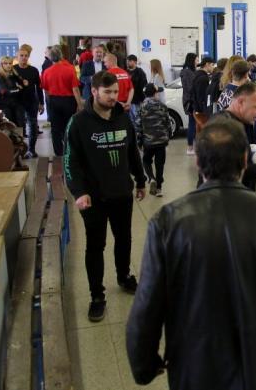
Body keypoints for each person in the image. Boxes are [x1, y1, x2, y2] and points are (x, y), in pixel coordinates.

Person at [126, 118, 256, 390]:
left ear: (198, 162)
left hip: (195, 367)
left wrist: (144, 364)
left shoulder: (168, 221)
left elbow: (148, 303)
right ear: (244, 161)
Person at [65, 70, 146, 322]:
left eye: (116, 92)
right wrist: (79, 192)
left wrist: (141, 180)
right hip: (93, 198)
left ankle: (124, 276)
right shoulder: (78, 122)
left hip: (121, 193)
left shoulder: (123, 117)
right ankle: (97, 295)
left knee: (124, 239)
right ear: (94, 91)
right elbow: (70, 162)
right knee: (95, 246)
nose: (113, 97)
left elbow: (132, 152)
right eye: (108, 92)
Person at [41, 46, 82, 156]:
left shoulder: (47, 72)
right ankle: (69, 150)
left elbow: (46, 90)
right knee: (68, 126)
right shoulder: (70, 69)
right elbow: (75, 89)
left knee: (55, 128)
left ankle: (58, 152)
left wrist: (48, 103)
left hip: (53, 101)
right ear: (61, 56)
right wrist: (79, 104)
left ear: (50, 58)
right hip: (69, 101)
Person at [136, 84, 171, 198]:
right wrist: (168, 137)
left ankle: (151, 178)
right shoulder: (162, 106)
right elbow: (168, 123)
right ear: (155, 93)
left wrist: (139, 141)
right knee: (160, 164)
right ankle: (159, 188)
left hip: (148, 142)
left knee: (146, 161)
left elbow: (138, 126)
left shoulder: (141, 107)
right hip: (161, 141)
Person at [13, 48, 44, 158]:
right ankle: (20, 151)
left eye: (26, 55)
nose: (24, 58)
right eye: (21, 55)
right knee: (20, 127)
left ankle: (31, 150)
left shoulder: (34, 70)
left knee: (33, 125)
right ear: (17, 57)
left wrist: (41, 103)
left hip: (31, 101)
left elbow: (39, 88)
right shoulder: (13, 70)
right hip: (18, 102)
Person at [0, 55, 25, 126]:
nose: (8, 65)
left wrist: (18, 88)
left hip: (15, 103)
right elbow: (5, 91)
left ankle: (21, 133)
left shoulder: (14, 74)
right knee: (9, 124)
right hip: (3, 104)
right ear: (1, 65)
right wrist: (18, 89)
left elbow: (23, 86)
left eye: (10, 63)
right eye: (6, 63)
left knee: (21, 123)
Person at [180, 52, 198, 155]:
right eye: (196, 59)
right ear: (192, 60)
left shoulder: (190, 71)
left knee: (193, 123)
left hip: (191, 100)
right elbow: (189, 88)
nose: (197, 61)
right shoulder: (187, 72)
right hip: (191, 101)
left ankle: (192, 146)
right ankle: (190, 148)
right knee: (192, 124)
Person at [191, 57, 215, 132]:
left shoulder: (197, 74)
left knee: (199, 132)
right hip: (201, 112)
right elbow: (202, 97)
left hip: (196, 109)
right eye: (212, 65)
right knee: (204, 132)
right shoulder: (203, 78)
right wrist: (206, 112)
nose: (213, 67)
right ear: (207, 64)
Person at [126, 55, 147, 123]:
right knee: (130, 120)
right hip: (128, 100)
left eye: (130, 61)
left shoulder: (140, 72)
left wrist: (143, 99)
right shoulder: (125, 72)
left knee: (137, 119)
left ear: (135, 62)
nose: (127, 62)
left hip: (137, 100)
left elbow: (143, 86)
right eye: (127, 61)